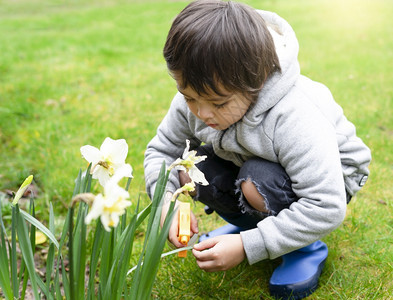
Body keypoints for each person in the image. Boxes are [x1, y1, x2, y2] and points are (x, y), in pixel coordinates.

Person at [144, 0, 371, 299]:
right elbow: (162, 150)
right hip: (253, 161)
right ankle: (250, 227)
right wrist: (166, 203)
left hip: (328, 181)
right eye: (188, 97)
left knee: (255, 182)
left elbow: (326, 205)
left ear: (256, 82)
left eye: (219, 103)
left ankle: (303, 249)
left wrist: (248, 247)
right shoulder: (202, 94)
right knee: (189, 170)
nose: (202, 113)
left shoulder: (294, 117)